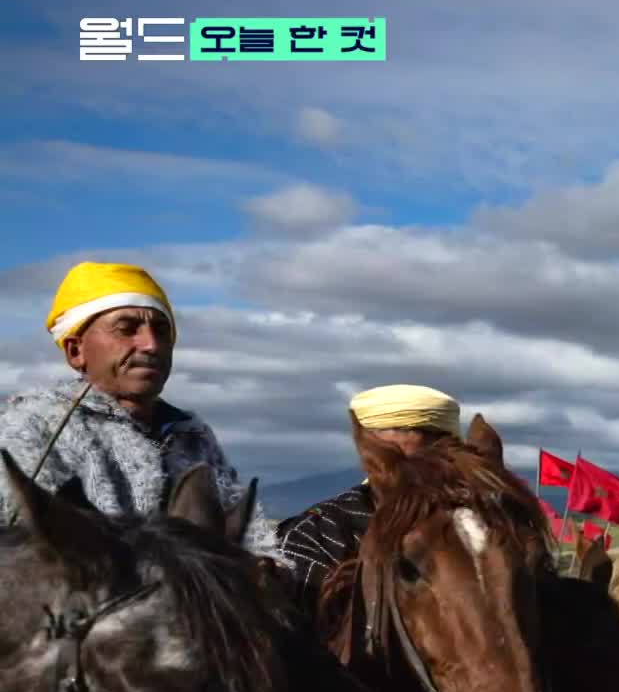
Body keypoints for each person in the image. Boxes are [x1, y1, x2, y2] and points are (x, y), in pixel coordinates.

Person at [0, 261, 275, 554]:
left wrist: (266, 567)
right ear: (75, 350)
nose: (151, 344)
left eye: (161, 329)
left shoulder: (193, 437)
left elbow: (252, 540)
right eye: (126, 329)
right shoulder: (33, 427)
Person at [276, 384, 462, 613]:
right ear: (368, 450)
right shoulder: (319, 532)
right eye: (398, 461)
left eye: (436, 455)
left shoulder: (485, 521)